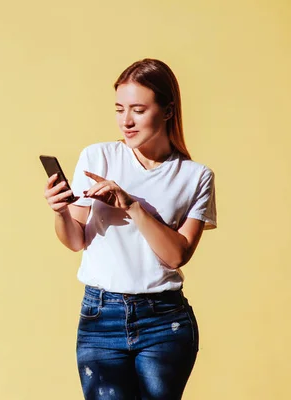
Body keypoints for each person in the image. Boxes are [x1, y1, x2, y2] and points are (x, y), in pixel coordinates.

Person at [43, 58, 217, 400]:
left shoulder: (196, 176)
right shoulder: (97, 157)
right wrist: (61, 211)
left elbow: (176, 255)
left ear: (167, 111)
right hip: (99, 316)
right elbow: (76, 241)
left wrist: (132, 205)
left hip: (163, 321)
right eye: (120, 108)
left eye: (138, 109)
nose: (126, 120)